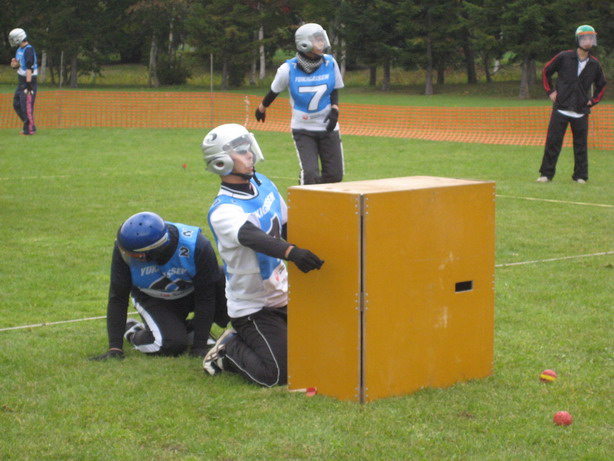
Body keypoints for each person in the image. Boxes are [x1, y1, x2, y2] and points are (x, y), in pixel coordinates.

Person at [201, 123, 324, 387]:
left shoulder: (264, 183)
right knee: (277, 374)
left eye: (248, 147)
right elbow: (252, 236)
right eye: (240, 151)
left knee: (321, 349)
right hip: (253, 308)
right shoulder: (223, 210)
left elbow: (289, 225)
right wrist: (292, 252)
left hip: (282, 294)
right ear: (221, 162)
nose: (249, 154)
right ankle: (227, 349)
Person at [90, 211, 229, 360]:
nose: (127, 256)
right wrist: (115, 348)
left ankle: (190, 329)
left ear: (153, 253)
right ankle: (132, 331)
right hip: (153, 297)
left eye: (135, 256)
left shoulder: (197, 246)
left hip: (190, 293)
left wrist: (199, 346)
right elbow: (118, 297)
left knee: (224, 278)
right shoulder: (124, 247)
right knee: (171, 345)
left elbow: (206, 297)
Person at [255, 23, 344, 185]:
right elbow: (274, 91)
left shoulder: (330, 63)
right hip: (303, 128)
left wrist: (335, 109)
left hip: (328, 126)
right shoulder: (288, 69)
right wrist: (262, 108)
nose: (322, 43)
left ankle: (323, 199)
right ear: (304, 43)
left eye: (321, 39)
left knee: (335, 175)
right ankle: (306, 198)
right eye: (317, 40)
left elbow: (335, 89)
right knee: (310, 174)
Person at [537, 25, 607, 184]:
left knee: (581, 146)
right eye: (584, 38)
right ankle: (546, 174)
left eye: (591, 38)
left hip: (581, 111)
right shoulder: (564, 57)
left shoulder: (595, 64)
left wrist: (593, 101)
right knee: (553, 143)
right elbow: (546, 71)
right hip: (560, 109)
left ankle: (580, 176)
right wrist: (550, 92)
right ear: (577, 40)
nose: (588, 41)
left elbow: (602, 85)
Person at [8, 28, 37, 135]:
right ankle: (30, 125)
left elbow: (29, 68)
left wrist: (28, 85)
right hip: (21, 81)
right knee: (17, 104)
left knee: (26, 106)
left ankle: (29, 130)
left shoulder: (29, 50)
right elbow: (19, 65)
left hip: (28, 81)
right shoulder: (19, 50)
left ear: (19, 38)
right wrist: (14, 64)